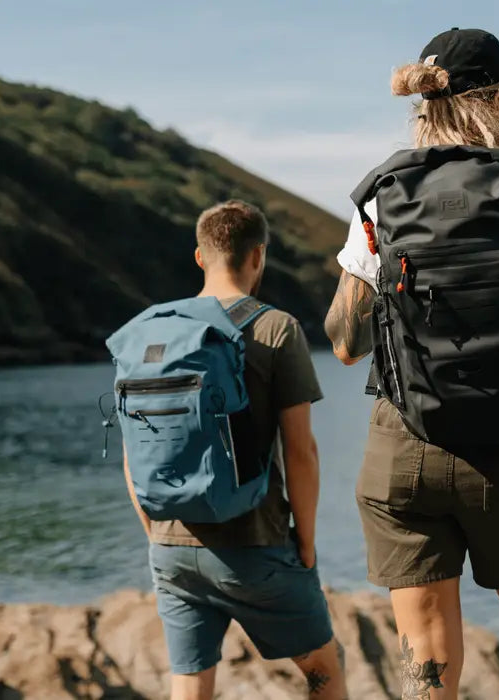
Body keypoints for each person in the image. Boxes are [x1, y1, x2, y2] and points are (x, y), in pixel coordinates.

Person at [325, 28, 499, 700]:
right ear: (493, 99)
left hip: (406, 446)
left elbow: (344, 340)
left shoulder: (382, 195)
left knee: (426, 658)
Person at [122, 200, 347, 700]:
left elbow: (132, 447)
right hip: (255, 543)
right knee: (323, 668)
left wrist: (155, 532)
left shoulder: (153, 330)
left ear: (200, 258)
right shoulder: (275, 329)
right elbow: (301, 451)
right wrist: (304, 543)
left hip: (171, 546)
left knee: (191, 680)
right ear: (258, 256)